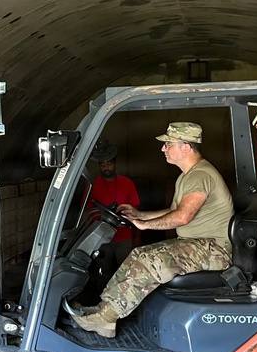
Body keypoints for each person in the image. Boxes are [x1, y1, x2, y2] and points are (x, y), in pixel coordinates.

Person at [74, 122, 234, 338]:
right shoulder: (188, 175)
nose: (163, 148)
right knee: (139, 254)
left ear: (185, 147)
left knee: (151, 261)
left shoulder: (200, 176)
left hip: (214, 249)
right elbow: (173, 210)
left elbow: (182, 217)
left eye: (168, 144)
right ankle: (105, 310)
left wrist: (146, 225)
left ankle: (106, 317)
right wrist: (140, 215)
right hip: (199, 244)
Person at [87, 138, 140, 275]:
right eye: (102, 164)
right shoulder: (92, 185)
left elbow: (137, 212)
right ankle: (102, 297)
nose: (106, 167)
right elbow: (86, 213)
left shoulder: (127, 183)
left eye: (109, 163)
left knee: (127, 274)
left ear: (115, 164)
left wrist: (137, 237)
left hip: (124, 238)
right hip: (101, 238)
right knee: (103, 274)